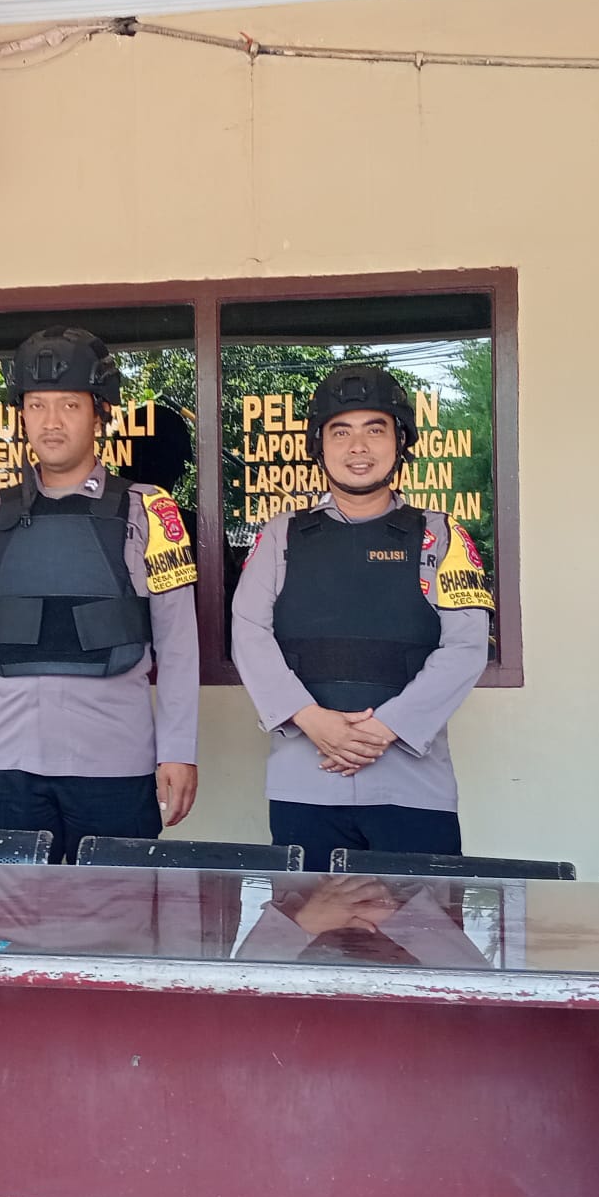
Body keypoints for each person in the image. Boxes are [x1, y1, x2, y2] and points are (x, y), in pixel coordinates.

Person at [0, 326, 199, 860]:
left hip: (115, 763)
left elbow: (178, 643)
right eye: (37, 405)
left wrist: (178, 750)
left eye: (69, 405)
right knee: (7, 910)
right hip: (7, 763)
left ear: (99, 414)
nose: (51, 421)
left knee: (118, 911)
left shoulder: (152, 510)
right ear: (22, 415)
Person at [232, 364, 491, 871]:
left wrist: (386, 728)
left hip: (414, 787)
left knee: (421, 920)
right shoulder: (281, 535)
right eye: (340, 431)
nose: (358, 447)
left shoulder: (442, 536)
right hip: (305, 779)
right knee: (309, 921)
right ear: (319, 444)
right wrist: (310, 719)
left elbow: (466, 646)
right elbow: (249, 632)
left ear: (400, 441)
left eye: (375, 429)